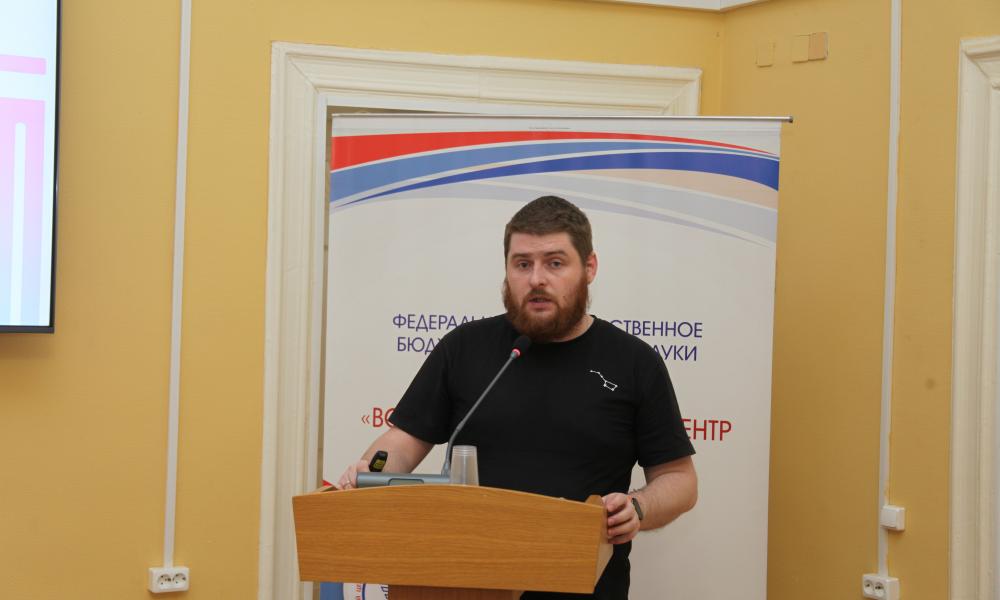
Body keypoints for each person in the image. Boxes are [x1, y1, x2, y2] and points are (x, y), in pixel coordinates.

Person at [336, 195, 697, 599]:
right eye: (522, 264)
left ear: (589, 267)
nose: (536, 279)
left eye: (555, 263)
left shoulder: (633, 362)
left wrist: (637, 507)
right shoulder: (464, 347)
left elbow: (679, 479)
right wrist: (371, 473)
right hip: (467, 586)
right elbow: (402, 441)